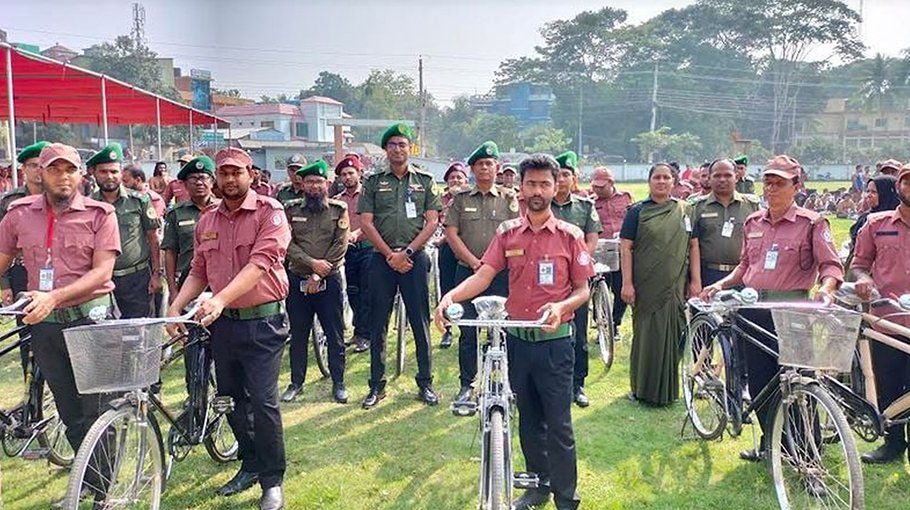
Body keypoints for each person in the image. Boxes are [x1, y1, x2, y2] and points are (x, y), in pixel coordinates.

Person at [436, 153, 591, 510]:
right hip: (518, 341)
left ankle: (566, 499)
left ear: (555, 186)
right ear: (521, 188)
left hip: (555, 344)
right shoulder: (507, 233)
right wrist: (450, 297)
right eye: (531, 183)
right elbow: (484, 275)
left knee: (559, 424)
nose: (537, 190)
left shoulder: (570, 236)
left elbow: (583, 289)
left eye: (544, 184)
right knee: (528, 421)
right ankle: (538, 486)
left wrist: (561, 307)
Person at [166, 147, 289, 510]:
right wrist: (176, 305)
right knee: (230, 400)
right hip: (223, 326)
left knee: (263, 402)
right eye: (224, 173)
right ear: (217, 178)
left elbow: (260, 264)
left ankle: (272, 480)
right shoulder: (207, 220)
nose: (230, 179)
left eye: (237, 172)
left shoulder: (270, 212)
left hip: (263, 322)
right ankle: (249, 464)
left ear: (251, 174)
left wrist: (218, 299)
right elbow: (199, 270)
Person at [0, 143, 120, 505]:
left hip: (91, 321)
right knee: (69, 411)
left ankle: (104, 491)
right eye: (54, 169)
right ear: (40, 173)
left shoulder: (101, 214)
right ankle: (90, 478)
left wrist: (53, 296)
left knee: (97, 410)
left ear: (81, 174)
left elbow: (102, 272)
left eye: (70, 170)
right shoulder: (19, 215)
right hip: (46, 327)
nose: (63, 177)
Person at [702, 155, 843, 462]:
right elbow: (745, 265)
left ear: (797, 186)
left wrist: (827, 289)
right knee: (762, 383)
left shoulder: (812, 223)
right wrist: (721, 284)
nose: (771, 189)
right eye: (768, 182)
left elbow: (831, 265)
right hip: (754, 311)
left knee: (800, 384)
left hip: (793, 312)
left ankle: (807, 452)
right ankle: (771, 444)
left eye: (779, 183)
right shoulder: (753, 222)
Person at [358, 123, 441, 409]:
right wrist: (390, 255)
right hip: (381, 260)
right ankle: (376, 385)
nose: (397, 149)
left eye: (402, 144)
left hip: (414, 259)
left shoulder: (425, 180)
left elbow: (432, 221)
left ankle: (426, 383)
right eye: (392, 144)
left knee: (420, 322)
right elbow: (366, 222)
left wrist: (406, 252)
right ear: (385, 149)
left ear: (410, 148)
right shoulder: (372, 181)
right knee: (378, 323)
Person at [444, 141, 519, 407]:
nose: (485, 168)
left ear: (497, 167)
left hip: (502, 274)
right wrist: (474, 262)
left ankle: (507, 383)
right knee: (468, 331)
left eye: (489, 163)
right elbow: (451, 234)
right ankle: (467, 384)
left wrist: (495, 264)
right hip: (468, 272)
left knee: (506, 330)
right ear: (473, 169)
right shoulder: (461, 199)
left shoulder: (509, 198)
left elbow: (517, 233)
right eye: (480, 164)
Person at [620, 162, 700, 406]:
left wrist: (696, 281)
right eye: (657, 177)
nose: (662, 181)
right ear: (649, 181)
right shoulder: (636, 212)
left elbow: (693, 246)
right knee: (645, 336)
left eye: (667, 177)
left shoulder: (686, 210)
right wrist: (627, 283)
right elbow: (626, 248)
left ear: (674, 181)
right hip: (645, 285)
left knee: (673, 335)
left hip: (675, 285)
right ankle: (641, 388)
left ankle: (667, 391)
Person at [851, 164, 910, 464]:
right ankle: (893, 444)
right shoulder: (876, 224)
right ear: (897, 187)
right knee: (889, 384)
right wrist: (864, 279)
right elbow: (859, 264)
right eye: (906, 182)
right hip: (886, 322)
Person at [280, 159, 350, 404]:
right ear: (302, 184)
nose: (314, 186)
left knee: (334, 333)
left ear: (327, 184)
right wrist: (311, 264)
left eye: (319, 182)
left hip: (329, 280)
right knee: (298, 334)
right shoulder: (291, 210)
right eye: (310, 182)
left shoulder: (338, 210)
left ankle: (338, 382)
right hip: (298, 279)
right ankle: (296, 383)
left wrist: (319, 274)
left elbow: (340, 244)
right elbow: (286, 243)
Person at [88, 143, 161, 319]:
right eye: (103, 172)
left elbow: (153, 239)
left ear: (121, 173)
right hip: (101, 280)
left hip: (137, 279)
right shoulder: (89, 205)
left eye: (114, 171)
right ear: (94, 173)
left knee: (138, 329)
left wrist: (157, 274)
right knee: (104, 329)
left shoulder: (140, 201)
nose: (109, 176)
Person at [552, 150, 601, 408]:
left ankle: (578, 383)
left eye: (566, 174)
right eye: (557, 175)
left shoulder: (585, 206)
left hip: (577, 279)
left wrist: (577, 265)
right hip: (547, 279)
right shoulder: (541, 206)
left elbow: (591, 239)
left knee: (578, 332)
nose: (561, 179)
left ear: (574, 178)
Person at [690, 159, 761, 287]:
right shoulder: (697, 207)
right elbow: (691, 245)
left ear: (737, 177)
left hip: (743, 275)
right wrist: (695, 281)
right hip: (708, 275)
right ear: (709, 178)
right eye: (717, 176)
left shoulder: (752, 206)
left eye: (728, 175)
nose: (722, 179)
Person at [161, 156, 218, 299]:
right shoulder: (176, 213)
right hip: (188, 279)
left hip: (220, 280)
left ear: (212, 182)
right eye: (193, 179)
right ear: (185, 185)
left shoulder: (224, 210)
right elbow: (170, 252)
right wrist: (173, 290)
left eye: (203, 178)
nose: (199, 183)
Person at [0, 141, 47, 306]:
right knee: (25, 316)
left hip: (55, 269)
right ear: (23, 169)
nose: (39, 170)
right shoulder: (10, 201)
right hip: (20, 270)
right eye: (33, 165)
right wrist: (4, 284)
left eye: (43, 166)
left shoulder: (61, 199)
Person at [333, 154, 371, 353]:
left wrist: (355, 234)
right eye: (344, 175)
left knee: (367, 292)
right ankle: (358, 331)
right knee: (352, 292)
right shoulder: (337, 201)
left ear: (359, 173)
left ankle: (366, 334)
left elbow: (374, 223)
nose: (347, 177)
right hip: (347, 252)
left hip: (368, 249)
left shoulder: (369, 196)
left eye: (350, 173)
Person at [590, 166, 632, 337]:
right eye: (595, 186)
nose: (598, 190)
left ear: (611, 183)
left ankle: (614, 323)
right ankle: (601, 324)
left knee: (622, 289)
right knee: (599, 289)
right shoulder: (591, 203)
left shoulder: (625, 198)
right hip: (600, 252)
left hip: (622, 251)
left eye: (601, 186)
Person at [438, 161, 469, 349]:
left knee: (468, 289)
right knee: (447, 288)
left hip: (468, 248)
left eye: (459, 177)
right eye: (452, 177)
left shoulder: (471, 198)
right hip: (447, 248)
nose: (456, 180)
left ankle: (471, 329)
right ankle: (447, 329)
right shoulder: (440, 200)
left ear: (466, 180)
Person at [846, 175, 899, 269]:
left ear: (885, 194)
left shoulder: (899, 220)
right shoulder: (865, 219)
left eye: (874, 192)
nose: (868, 195)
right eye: (868, 191)